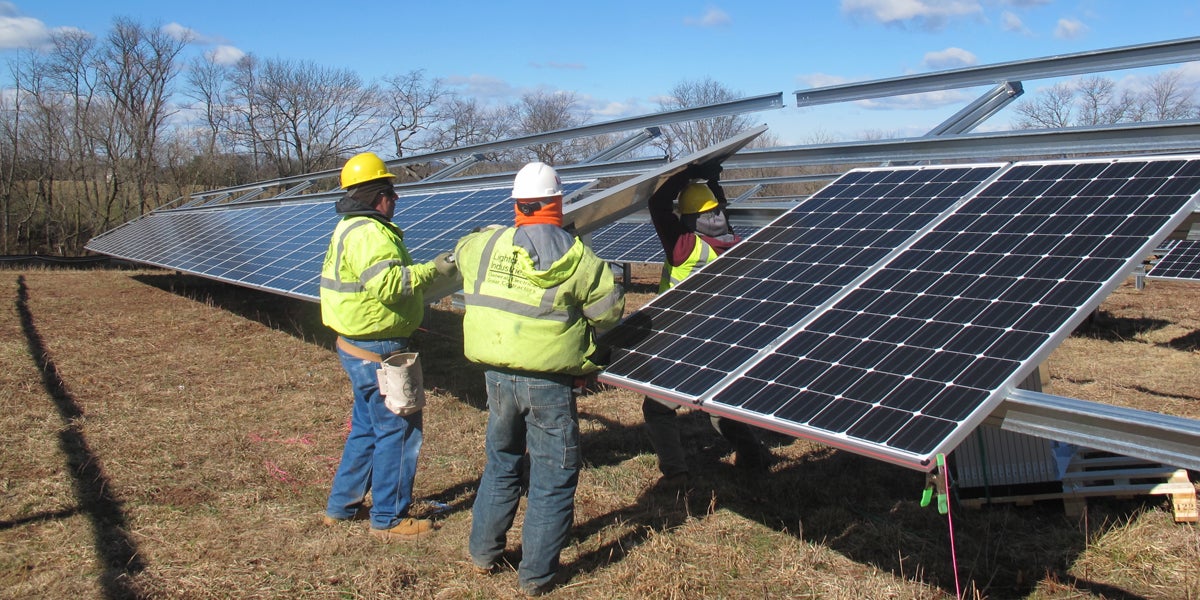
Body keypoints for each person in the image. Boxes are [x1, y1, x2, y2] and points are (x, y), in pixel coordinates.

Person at [455, 162, 625, 596]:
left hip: (496, 376)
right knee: (553, 474)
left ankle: (482, 554)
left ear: (517, 203)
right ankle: (535, 577)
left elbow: (459, 255)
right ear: (558, 201)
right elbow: (608, 312)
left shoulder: (484, 243)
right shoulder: (577, 255)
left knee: (502, 462)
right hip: (549, 383)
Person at [319, 151, 458, 541]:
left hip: (356, 344)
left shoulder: (348, 227)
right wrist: (436, 268)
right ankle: (389, 518)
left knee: (366, 427)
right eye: (392, 192)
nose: (396, 200)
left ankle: (341, 507)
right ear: (378, 196)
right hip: (378, 349)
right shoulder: (369, 233)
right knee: (399, 429)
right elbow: (391, 286)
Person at [642, 162, 772, 488]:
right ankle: (752, 456)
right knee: (719, 405)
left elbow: (657, 205)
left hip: (681, 343)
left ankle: (676, 473)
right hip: (724, 342)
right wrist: (713, 180)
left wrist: (685, 175)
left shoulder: (685, 247)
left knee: (657, 408)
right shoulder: (737, 246)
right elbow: (720, 209)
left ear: (686, 220)